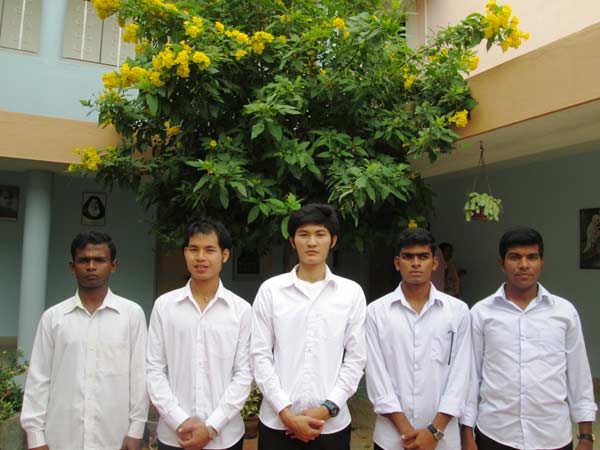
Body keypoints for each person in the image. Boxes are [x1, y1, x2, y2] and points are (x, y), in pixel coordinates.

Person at [461, 226, 597, 450]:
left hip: (552, 436)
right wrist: (467, 434)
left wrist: (586, 437)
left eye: (532, 257)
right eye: (515, 257)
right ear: (501, 262)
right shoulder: (481, 313)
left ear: (541, 261)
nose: (524, 265)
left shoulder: (564, 312)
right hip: (495, 435)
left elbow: (579, 376)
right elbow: (469, 377)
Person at [251, 203, 367, 450]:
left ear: (333, 240)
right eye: (304, 235)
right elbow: (259, 356)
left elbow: (356, 358)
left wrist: (327, 409)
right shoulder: (271, 291)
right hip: (276, 423)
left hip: (331, 425)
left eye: (320, 234)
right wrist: (286, 414)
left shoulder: (351, 293)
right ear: (292, 241)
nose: (312, 242)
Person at [20, 231, 148, 450]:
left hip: (114, 437)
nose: (91, 266)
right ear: (72, 267)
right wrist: (35, 437)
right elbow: (38, 379)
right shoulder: (53, 318)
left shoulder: (131, 315)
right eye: (84, 260)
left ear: (113, 265)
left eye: (99, 260)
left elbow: (139, 377)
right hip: (61, 438)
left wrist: (136, 430)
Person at [147, 219, 252, 450]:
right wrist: (179, 420)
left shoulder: (241, 310)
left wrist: (212, 426)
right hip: (175, 436)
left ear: (225, 255)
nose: (200, 257)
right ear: (185, 253)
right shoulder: (164, 307)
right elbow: (154, 369)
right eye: (193, 249)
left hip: (225, 438)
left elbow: (244, 374)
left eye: (209, 250)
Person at [365, 227, 472, 450]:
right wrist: (407, 432)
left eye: (423, 257)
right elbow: (377, 377)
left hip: (442, 440)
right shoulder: (376, 312)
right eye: (408, 257)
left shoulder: (458, 312)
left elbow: (461, 376)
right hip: (391, 439)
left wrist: (433, 432)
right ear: (397, 262)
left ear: (434, 263)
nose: (415, 263)